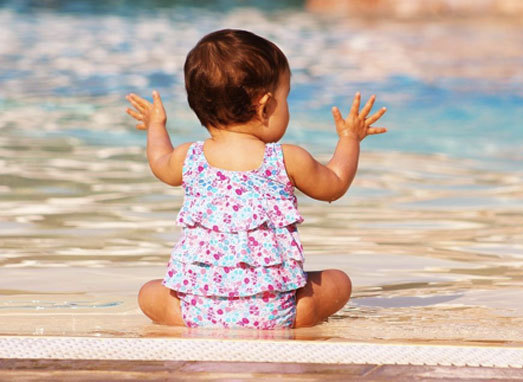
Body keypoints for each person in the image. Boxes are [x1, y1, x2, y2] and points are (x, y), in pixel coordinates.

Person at [124, 29, 387, 329]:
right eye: (286, 97)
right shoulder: (286, 158)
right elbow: (335, 184)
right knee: (339, 282)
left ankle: (199, 321)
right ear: (265, 107)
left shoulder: (188, 157)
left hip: (195, 315)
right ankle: (292, 322)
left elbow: (159, 162)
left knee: (149, 293)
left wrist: (156, 125)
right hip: (278, 315)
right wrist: (350, 138)